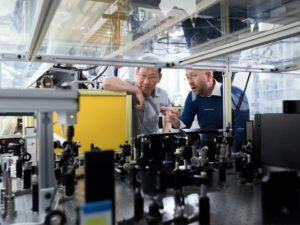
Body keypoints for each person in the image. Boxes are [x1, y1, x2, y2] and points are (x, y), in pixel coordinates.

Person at [162, 69, 249, 151]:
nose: (190, 82)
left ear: (208, 75)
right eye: (188, 77)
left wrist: (230, 157)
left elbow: (240, 135)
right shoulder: (193, 96)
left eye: (194, 76)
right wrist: (175, 122)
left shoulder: (236, 95)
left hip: (229, 154)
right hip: (203, 154)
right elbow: (185, 126)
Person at [102, 67, 171, 138]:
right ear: (137, 73)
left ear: (159, 77)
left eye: (152, 76)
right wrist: (136, 91)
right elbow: (106, 82)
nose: (146, 82)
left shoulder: (163, 94)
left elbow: (168, 115)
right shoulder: (128, 85)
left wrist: (164, 135)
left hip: (152, 143)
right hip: (129, 143)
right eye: (143, 75)